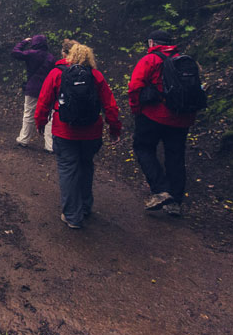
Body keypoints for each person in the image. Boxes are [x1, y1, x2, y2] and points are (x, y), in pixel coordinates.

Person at [35, 41, 121, 229]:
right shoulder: (96, 75)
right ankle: (85, 207)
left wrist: (40, 123)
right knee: (86, 166)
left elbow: (44, 101)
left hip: (64, 131)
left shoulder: (57, 73)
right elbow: (110, 105)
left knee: (68, 169)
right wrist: (114, 129)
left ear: (68, 55)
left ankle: (73, 216)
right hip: (92, 132)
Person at [127, 29, 198, 217]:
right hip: (181, 118)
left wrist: (136, 109)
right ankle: (175, 202)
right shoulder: (184, 61)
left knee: (143, 148)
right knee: (176, 157)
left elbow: (134, 87)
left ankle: (160, 190)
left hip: (153, 115)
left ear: (152, 43)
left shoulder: (150, 60)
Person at [11, 33, 56, 151]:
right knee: (48, 116)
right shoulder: (51, 57)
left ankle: (24, 139)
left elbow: (15, 52)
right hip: (47, 90)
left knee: (29, 114)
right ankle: (50, 145)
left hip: (32, 88)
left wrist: (24, 42)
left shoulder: (31, 54)